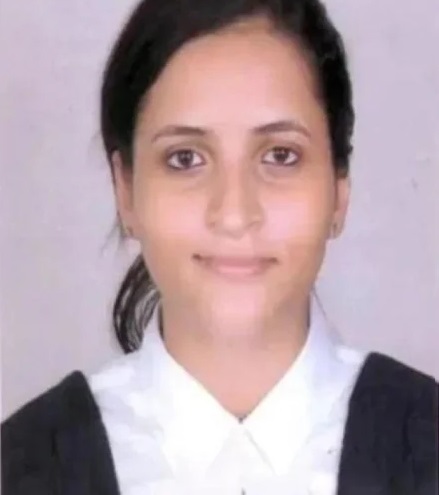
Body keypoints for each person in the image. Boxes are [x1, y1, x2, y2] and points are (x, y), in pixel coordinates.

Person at [2, 0, 437, 493]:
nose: (233, 214)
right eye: (185, 158)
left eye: (280, 155)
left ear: (339, 190)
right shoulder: (22, 466)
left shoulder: (427, 445)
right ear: (126, 191)